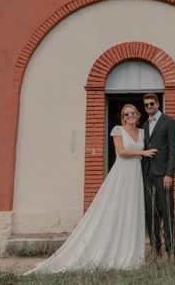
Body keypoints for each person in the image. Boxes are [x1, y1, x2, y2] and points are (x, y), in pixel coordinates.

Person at [25, 104, 157, 274]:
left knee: (132, 210)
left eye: (132, 113)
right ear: (123, 117)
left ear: (138, 115)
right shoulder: (118, 130)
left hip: (136, 174)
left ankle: (131, 253)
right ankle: (108, 248)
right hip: (122, 172)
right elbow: (122, 152)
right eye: (126, 114)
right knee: (115, 209)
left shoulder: (142, 132)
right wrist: (143, 153)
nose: (130, 115)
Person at [141, 93, 175, 259]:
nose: (149, 107)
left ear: (157, 104)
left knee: (167, 212)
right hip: (147, 174)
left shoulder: (169, 122)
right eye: (146, 105)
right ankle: (156, 249)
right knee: (150, 213)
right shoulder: (144, 125)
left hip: (163, 175)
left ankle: (171, 250)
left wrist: (169, 174)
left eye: (152, 104)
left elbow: (174, 150)